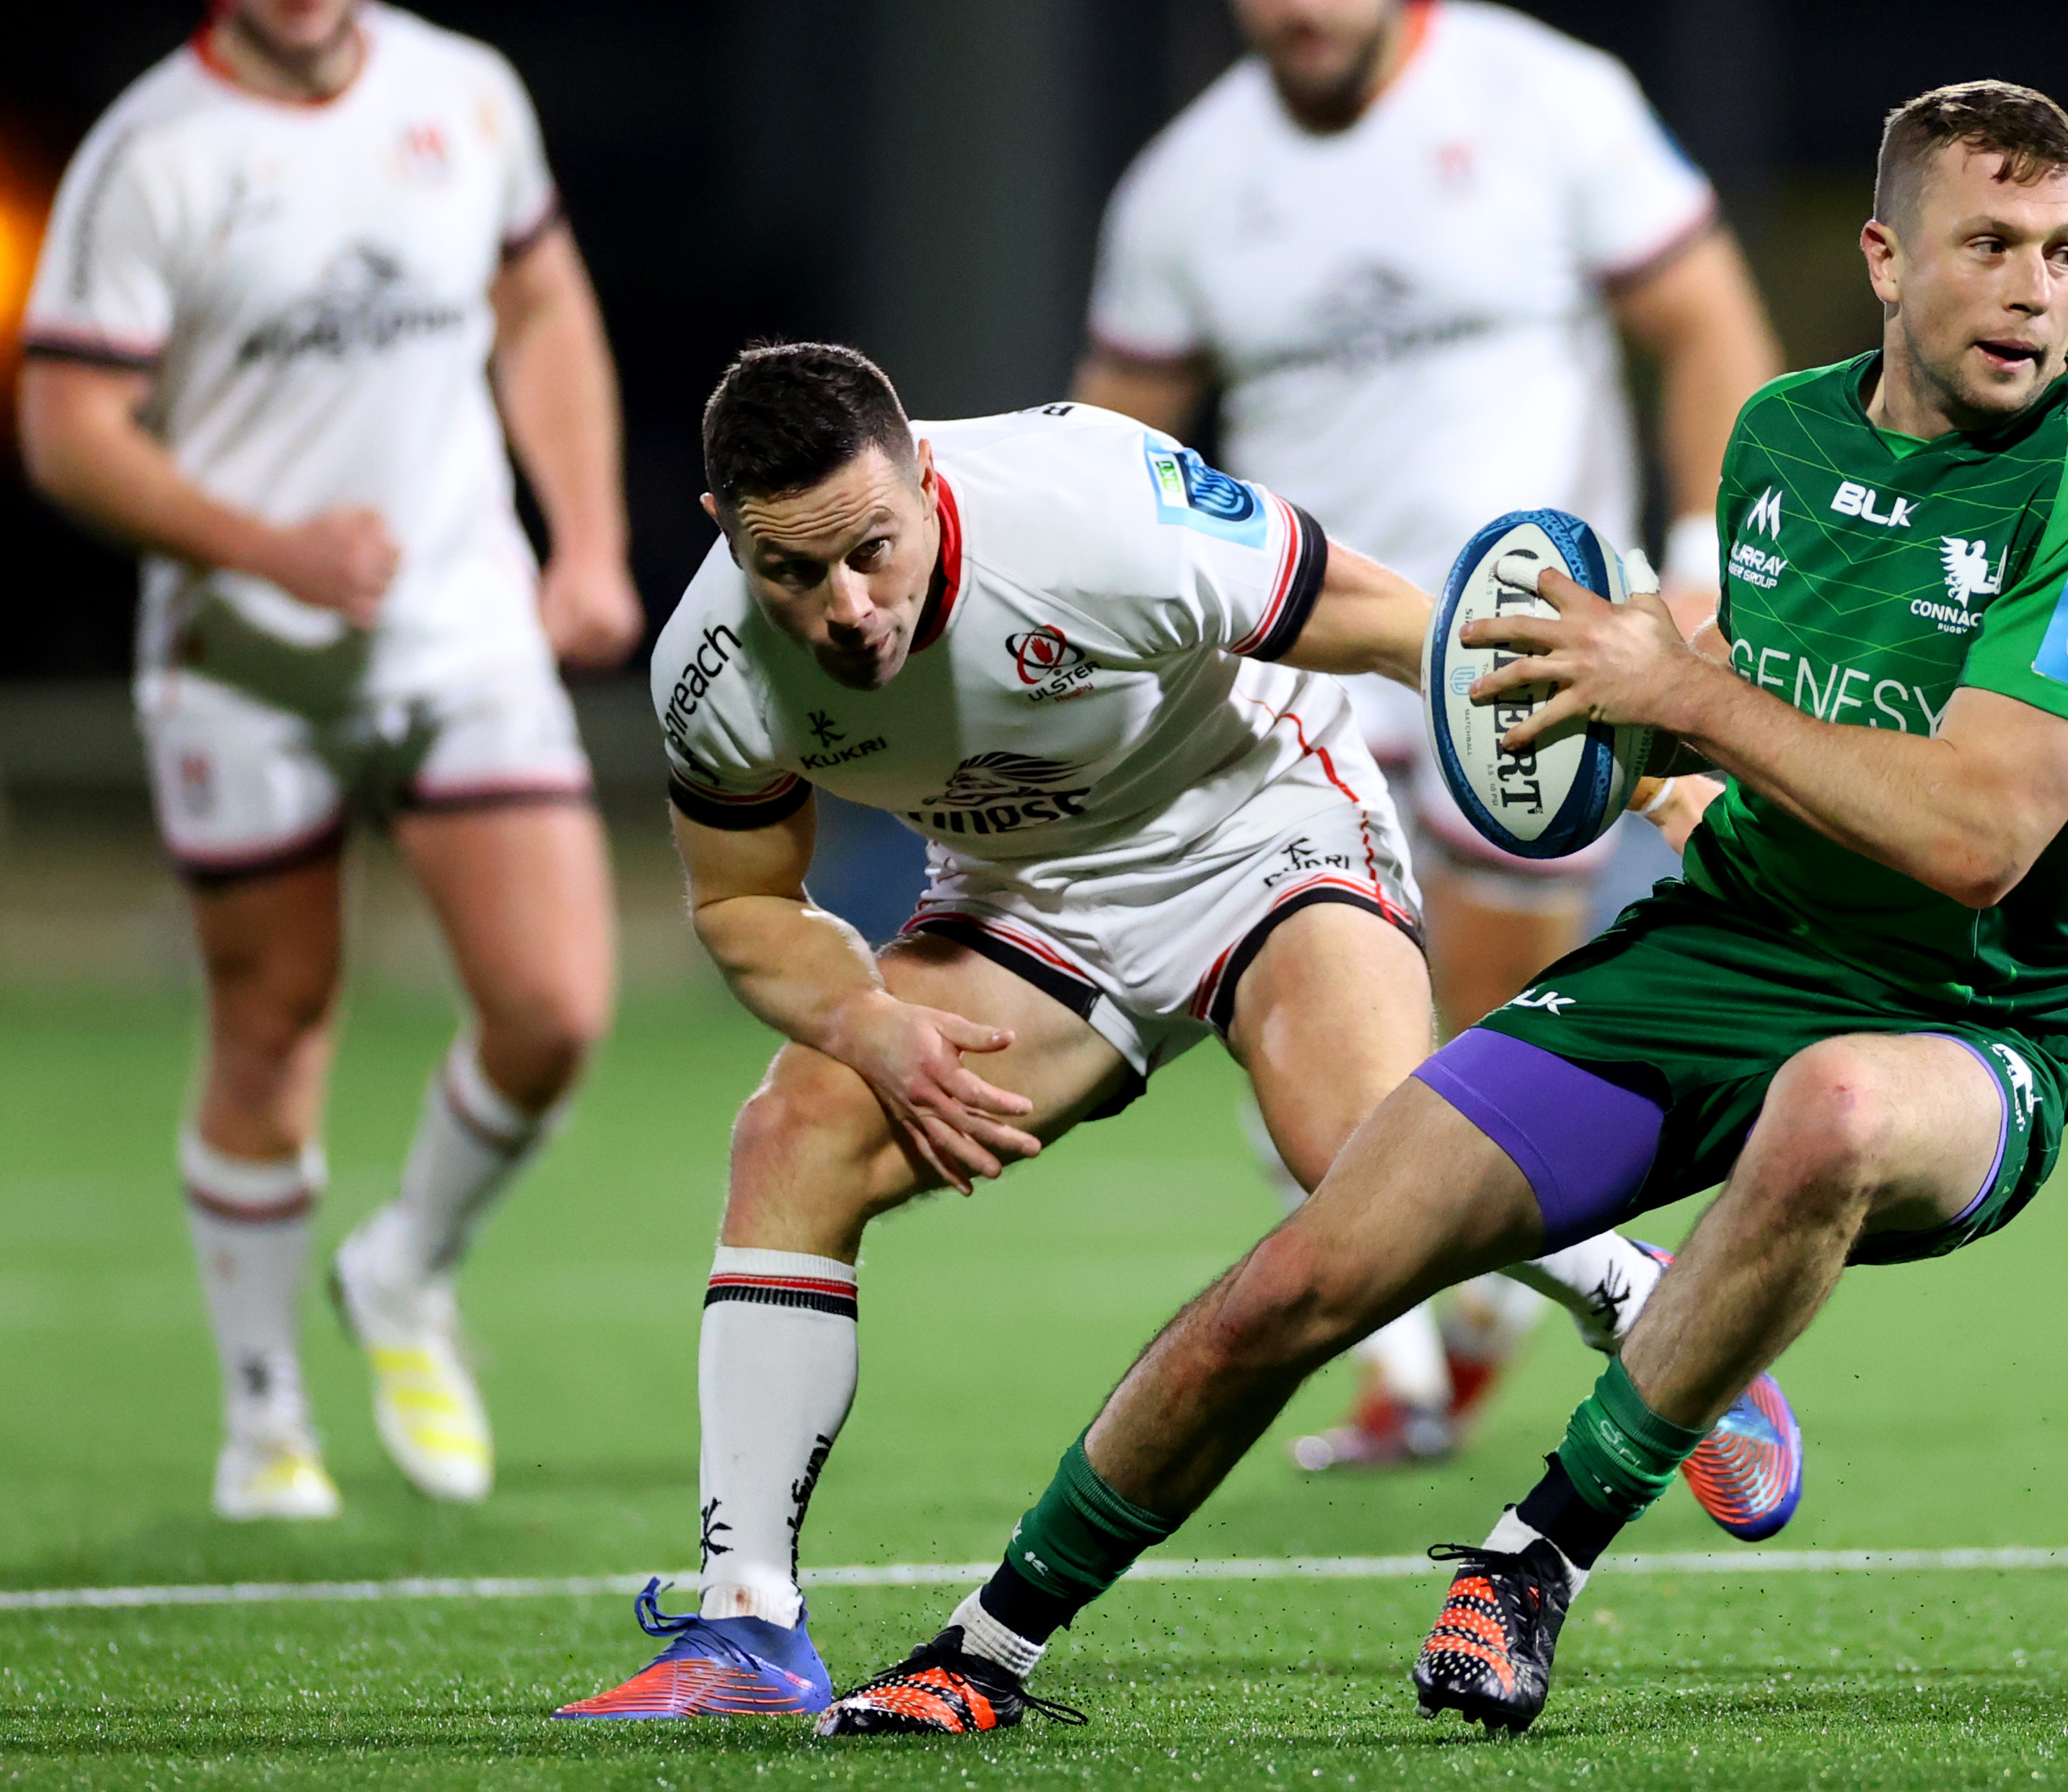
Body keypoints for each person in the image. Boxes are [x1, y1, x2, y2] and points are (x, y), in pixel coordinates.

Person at [811, 79, 2068, 1740]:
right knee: (1305, 1274)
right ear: (1888, 255)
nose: (2039, 287)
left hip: (1966, 1029)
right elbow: (1762, 722)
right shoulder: (1777, 439)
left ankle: (1536, 1550)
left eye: (2067, 249)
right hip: (1717, 951)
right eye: (1994, 242)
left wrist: (1685, 689)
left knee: (1829, 1108)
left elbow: (1980, 832)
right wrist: (1616, 739)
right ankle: (984, 1643)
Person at [553, 345, 1794, 1721]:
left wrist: (1649, 774)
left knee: (1365, 1160)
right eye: (795, 573)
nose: (846, 609)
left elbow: (1402, 629)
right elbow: (742, 902)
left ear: (924, 478)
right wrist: (862, 1021)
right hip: (1026, 902)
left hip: (1261, 827)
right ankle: (748, 1635)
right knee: (799, 1126)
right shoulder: (710, 668)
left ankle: (1644, 1303)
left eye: (871, 551)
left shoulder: (1092, 510)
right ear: (731, 539)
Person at [1076, 0, 1785, 1465]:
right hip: (1293, 641)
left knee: (1481, 1040)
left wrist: (1698, 575)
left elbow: (1706, 325)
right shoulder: (1187, 183)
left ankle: (1450, 1314)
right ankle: (1425, 1336)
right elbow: (1112, 438)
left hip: (1528, 644)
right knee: (1314, 1006)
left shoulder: (1549, 98)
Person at [17, 0, 641, 1522]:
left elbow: (543, 309)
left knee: (554, 1007)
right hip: (247, 652)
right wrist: (271, 544)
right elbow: (68, 424)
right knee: (276, 1015)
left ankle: (405, 1266)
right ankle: (264, 1405)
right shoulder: (156, 151)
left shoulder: (465, 93)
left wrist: (585, 539)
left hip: (456, 619)